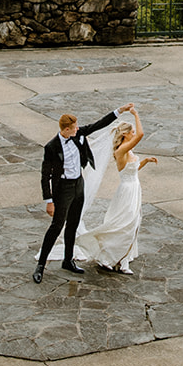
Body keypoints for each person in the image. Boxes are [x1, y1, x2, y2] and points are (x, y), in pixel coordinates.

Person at [33, 103, 131, 283]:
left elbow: (98, 125)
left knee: (73, 223)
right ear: (66, 129)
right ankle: (40, 265)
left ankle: (68, 260)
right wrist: (49, 200)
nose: (78, 129)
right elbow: (45, 175)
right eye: (75, 127)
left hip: (79, 184)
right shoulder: (51, 147)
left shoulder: (78, 134)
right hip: (62, 189)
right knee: (56, 226)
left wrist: (120, 111)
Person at [77, 106, 157, 274]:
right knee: (126, 223)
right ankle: (119, 260)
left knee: (133, 223)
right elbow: (142, 135)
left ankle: (121, 258)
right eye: (132, 131)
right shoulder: (121, 151)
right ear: (125, 134)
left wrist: (145, 161)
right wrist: (135, 114)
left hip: (134, 188)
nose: (135, 133)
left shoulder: (128, 149)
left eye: (134, 131)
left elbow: (132, 169)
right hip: (127, 191)